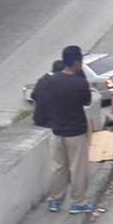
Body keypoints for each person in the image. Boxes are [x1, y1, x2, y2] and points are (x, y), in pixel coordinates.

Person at [46, 45, 94, 213]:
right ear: (76, 62)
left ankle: (55, 200)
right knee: (77, 168)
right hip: (75, 132)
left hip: (57, 130)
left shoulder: (52, 80)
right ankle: (77, 202)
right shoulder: (80, 83)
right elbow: (87, 102)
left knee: (58, 168)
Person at [31, 60, 65, 128]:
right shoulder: (58, 82)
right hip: (51, 121)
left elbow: (33, 95)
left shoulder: (42, 80)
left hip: (38, 118)